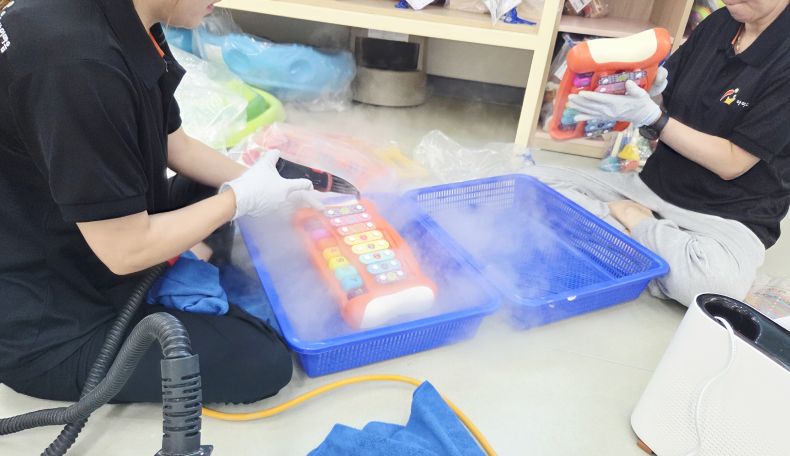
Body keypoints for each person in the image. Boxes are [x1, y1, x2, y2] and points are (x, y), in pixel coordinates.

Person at [0, 0, 316, 403]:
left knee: (209, 190)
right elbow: (125, 251)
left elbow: (176, 145)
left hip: (82, 231)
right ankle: (170, 272)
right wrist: (239, 200)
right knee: (263, 360)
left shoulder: (128, 15)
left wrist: (274, 186)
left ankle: (177, 259)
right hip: (50, 322)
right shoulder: (75, 63)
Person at [527, 0, 789, 306]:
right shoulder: (720, 23)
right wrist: (645, 95)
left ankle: (628, 228)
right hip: (649, 189)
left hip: (726, 218)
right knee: (528, 185)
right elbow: (666, 95)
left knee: (712, 287)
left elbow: (732, 162)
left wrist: (655, 119)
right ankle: (645, 246)